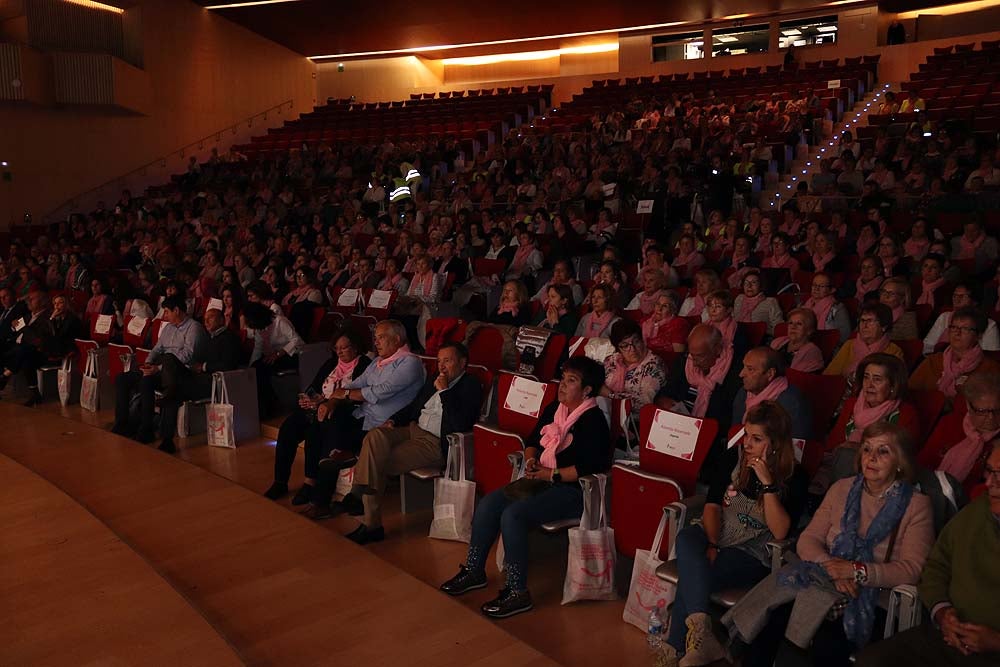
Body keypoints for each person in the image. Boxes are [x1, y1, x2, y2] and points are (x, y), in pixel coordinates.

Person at [725, 422, 934, 667]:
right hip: (822, 577)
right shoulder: (841, 489)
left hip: (873, 595)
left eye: (883, 451)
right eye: (866, 450)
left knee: (825, 639)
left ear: (900, 462)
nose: (872, 458)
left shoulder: (916, 505)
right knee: (773, 617)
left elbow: (912, 568)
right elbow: (809, 539)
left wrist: (857, 571)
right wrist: (831, 567)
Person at [439, 356, 610, 619]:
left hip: (574, 491)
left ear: (587, 390)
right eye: (562, 379)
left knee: (513, 514)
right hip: (540, 478)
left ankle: (517, 590)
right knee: (490, 503)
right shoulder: (556, 408)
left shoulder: (594, 420)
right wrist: (531, 460)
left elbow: (590, 467)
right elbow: (532, 440)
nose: (562, 386)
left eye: (571, 381)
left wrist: (549, 474)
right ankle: (474, 570)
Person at [667, 402, 808, 667]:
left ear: (775, 443)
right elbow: (710, 506)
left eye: (757, 439)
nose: (747, 444)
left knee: (693, 574)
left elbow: (780, 531)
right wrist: (711, 542)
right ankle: (701, 631)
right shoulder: (734, 457)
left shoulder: (794, 476)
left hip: (752, 550)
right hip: (717, 532)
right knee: (686, 538)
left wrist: (767, 485)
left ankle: (675, 647)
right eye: (746, 435)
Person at [855, 441, 1000, 667]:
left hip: (993, 652)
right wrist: (942, 611)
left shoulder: (916, 505)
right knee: (872, 661)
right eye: (989, 471)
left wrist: (996, 642)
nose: (990, 483)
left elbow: (911, 567)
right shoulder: (976, 513)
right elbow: (935, 567)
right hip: (949, 636)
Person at [340, 342, 482, 544]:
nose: (441, 366)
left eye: (447, 361)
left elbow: (460, 423)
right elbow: (414, 405)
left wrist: (444, 392)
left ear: (462, 363)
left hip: (434, 442)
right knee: (375, 436)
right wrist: (395, 420)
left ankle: (370, 523)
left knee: (376, 461)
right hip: (414, 429)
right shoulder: (435, 378)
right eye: (439, 361)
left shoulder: (471, 385)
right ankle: (358, 498)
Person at [300, 320, 425, 519]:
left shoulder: (410, 362)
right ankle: (315, 484)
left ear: (397, 339)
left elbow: (379, 392)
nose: (376, 342)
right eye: (375, 338)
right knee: (320, 423)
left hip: (385, 424)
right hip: (363, 417)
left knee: (330, 433)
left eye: (381, 337)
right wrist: (331, 402)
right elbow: (355, 384)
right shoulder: (377, 362)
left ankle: (321, 497)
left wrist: (345, 396)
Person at [264, 327, 371, 503]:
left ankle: (310, 483)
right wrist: (308, 398)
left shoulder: (365, 365)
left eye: (344, 348)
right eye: (337, 348)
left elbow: (357, 397)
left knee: (314, 431)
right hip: (316, 407)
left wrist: (324, 403)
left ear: (356, 347)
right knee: (288, 428)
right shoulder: (331, 363)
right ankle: (280, 481)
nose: (339, 352)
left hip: (340, 412)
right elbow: (314, 386)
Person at [111, 296, 207, 446]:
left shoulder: (194, 328)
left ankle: (146, 428)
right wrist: (148, 363)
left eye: (167, 312)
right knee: (122, 379)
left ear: (176, 310)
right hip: (159, 369)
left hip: (179, 373)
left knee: (146, 381)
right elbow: (157, 349)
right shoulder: (168, 328)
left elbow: (187, 356)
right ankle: (122, 424)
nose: (165, 316)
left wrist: (158, 368)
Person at [819, 354, 921, 493]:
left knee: (847, 455)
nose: (869, 384)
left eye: (877, 379)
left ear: (893, 385)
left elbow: (900, 458)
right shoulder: (852, 404)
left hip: (880, 475)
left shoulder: (905, 413)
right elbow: (832, 444)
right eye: (866, 377)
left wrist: (858, 449)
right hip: (839, 464)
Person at [656, 324, 742, 480]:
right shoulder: (684, 363)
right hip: (678, 427)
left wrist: (695, 427)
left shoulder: (734, 373)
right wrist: (665, 401)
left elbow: (726, 420)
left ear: (717, 350)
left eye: (700, 356)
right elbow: (666, 391)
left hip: (709, 436)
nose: (694, 363)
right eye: (691, 355)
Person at [156, 308, 242, 454]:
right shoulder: (208, 338)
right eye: (205, 318)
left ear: (222, 320)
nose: (206, 321)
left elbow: (229, 365)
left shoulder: (229, 338)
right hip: (195, 377)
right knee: (168, 359)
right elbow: (194, 359)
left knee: (173, 391)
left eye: (211, 318)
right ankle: (167, 439)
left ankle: (167, 439)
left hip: (211, 382)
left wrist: (203, 366)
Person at [921, 373, 1000, 492]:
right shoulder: (951, 423)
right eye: (981, 411)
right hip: (929, 489)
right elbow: (924, 461)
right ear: (968, 406)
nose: (990, 417)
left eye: (997, 410)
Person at [909, 308, 1000, 400]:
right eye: (954, 327)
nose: (957, 332)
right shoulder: (932, 361)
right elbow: (909, 392)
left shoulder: (990, 368)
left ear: (979, 335)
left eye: (965, 328)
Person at [733, 347, 813, 440]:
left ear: (770, 374)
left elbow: (795, 448)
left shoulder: (792, 403)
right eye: (744, 367)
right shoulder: (743, 393)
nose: (741, 374)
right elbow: (735, 435)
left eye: (750, 369)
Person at [243, 301, 304, 419]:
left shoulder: (280, 321)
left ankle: (271, 406)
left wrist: (278, 354)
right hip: (274, 356)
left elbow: (296, 341)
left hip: (291, 355)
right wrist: (249, 369)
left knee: (262, 370)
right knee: (256, 368)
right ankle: (266, 405)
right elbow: (258, 348)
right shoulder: (261, 329)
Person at [600, 319, 667, 417]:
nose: (632, 349)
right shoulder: (612, 360)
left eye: (636, 341)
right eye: (625, 345)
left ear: (642, 340)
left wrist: (610, 395)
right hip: (608, 413)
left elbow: (644, 405)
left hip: (635, 421)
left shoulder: (654, 365)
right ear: (618, 348)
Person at [825, 303, 905, 379]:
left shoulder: (894, 351)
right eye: (862, 320)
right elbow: (829, 376)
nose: (864, 325)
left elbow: (895, 382)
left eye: (870, 321)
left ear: (884, 326)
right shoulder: (849, 345)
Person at [923, 282, 1000, 354]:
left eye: (962, 296)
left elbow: (991, 356)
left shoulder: (989, 325)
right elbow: (928, 345)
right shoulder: (944, 317)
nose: (956, 300)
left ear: (975, 301)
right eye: (954, 296)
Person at [770, 308, 825, 373]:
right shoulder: (777, 342)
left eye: (799, 324)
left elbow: (797, 379)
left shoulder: (812, 351)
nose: (793, 327)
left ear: (809, 330)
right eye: (790, 323)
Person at [803, 273, 851, 344]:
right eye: (814, 285)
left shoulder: (837, 308)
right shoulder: (806, 305)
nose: (816, 288)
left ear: (832, 290)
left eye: (821, 286)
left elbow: (844, 336)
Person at [734, 269, 783, 337]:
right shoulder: (739, 298)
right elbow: (733, 319)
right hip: (736, 335)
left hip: (760, 338)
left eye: (753, 282)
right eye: (746, 283)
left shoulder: (770, 302)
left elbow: (778, 326)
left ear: (761, 285)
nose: (749, 286)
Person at [643, 290, 690, 355]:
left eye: (665, 306)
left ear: (673, 309)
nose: (659, 309)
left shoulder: (678, 324)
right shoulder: (647, 322)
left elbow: (678, 356)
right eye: (658, 304)